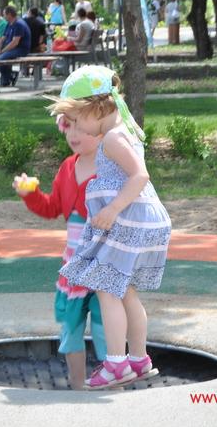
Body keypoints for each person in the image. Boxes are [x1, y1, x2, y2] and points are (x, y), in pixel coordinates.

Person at [51, 65, 171, 390]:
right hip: (139, 221)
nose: (77, 128)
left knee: (107, 289)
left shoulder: (115, 138)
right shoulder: (123, 131)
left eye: (77, 119)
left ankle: (116, 363)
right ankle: (139, 359)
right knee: (126, 291)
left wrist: (113, 208)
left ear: (96, 107)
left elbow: (140, 175)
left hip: (127, 220)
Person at [12, 113, 107, 391]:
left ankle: (114, 383)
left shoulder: (111, 167)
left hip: (104, 265)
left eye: (81, 128)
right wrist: (31, 194)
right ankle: (78, 385)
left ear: (102, 130)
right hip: (74, 269)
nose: (73, 135)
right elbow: (52, 207)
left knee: (106, 329)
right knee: (71, 328)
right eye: (69, 127)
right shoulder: (67, 168)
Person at [0, 5, 30, 87]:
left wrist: (2, 51)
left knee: (0, 58)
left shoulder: (19, 24)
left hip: (20, 49)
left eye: (4, 14)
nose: (3, 16)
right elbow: (2, 38)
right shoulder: (9, 24)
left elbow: (15, 42)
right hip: (10, 48)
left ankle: (6, 80)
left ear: (9, 14)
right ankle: (10, 75)